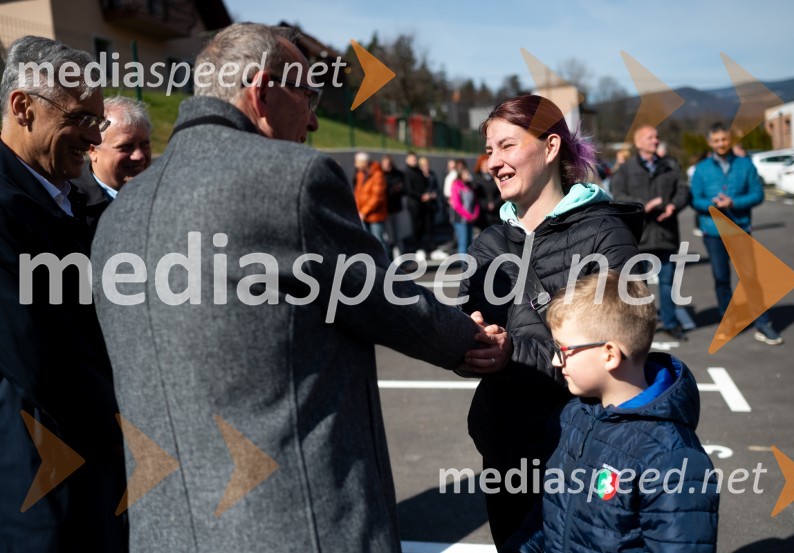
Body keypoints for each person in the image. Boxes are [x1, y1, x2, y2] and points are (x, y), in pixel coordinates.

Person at [91, 23, 506, 553]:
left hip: (164, 529)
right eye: (308, 95)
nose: (312, 119)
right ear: (262, 92)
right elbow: (385, 300)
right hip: (291, 523)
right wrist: (470, 340)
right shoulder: (291, 178)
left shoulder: (118, 213)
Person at [459, 94, 644, 546]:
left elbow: (616, 352)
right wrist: (467, 343)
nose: (494, 163)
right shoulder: (488, 242)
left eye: (506, 146)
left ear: (550, 147)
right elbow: (473, 328)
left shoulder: (605, 233)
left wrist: (510, 353)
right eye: (489, 151)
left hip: (582, 451)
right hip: (504, 449)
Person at [0, 35, 127, 552]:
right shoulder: (6, 208)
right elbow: (40, 360)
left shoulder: (71, 201)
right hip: (44, 481)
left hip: (90, 472)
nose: (92, 138)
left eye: (98, 123)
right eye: (80, 118)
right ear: (23, 107)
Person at [505, 271, 719, 553]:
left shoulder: (675, 460)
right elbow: (548, 515)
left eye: (563, 349)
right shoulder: (574, 417)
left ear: (609, 354)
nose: (556, 360)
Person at [691, 122, 783, 345]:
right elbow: (695, 199)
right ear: (710, 143)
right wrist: (711, 204)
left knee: (750, 278)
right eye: (716, 140)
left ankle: (763, 324)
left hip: (740, 227)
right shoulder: (701, 169)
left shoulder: (745, 164)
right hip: (713, 230)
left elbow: (758, 194)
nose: (721, 144)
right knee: (721, 278)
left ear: (730, 139)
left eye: (724, 139)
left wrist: (735, 202)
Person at [612, 125, 690, 340]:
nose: (655, 141)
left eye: (656, 137)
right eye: (650, 137)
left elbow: (683, 190)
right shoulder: (626, 169)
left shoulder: (670, 165)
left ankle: (671, 323)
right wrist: (643, 206)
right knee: (638, 285)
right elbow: (617, 196)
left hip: (666, 233)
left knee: (668, 281)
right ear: (638, 143)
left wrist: (673, 205)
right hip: (639, 235)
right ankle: (641, 326)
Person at [73, 95, 151, 233]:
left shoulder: (163, 195)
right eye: (126, 146)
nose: (139, 156)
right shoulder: (71, 203)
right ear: (93, 151)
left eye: (145, 145)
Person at [353, 151, 389, 257]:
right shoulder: (360, 175)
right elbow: (358, 193)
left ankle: (385, 265)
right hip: (363, 214)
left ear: (365, 162)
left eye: (358, 162)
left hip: (375, 215)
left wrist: (364, 211)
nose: (356, 164)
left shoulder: (378, 175)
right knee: (367, 243)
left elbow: (377, 197)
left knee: (378, 241)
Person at [404, 152, 435, 260]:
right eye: (412, 159)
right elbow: (408, 189)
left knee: (423, 226)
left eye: (415, 159)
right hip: (414, 204)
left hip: (422, 203)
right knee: (416, 227)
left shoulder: (418, 171)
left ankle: (424, 247)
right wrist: (421, 196)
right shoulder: (407, 173)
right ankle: (416, 248)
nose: (414, 161)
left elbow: (425, 183)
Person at [449, 166, 480, 255]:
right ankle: (464, 266)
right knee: (463, 243)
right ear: (461, 175)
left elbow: (476, 202)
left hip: (470, 219)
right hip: (460, 220)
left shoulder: (470, 186)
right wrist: (469, 216)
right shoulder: (456, 186)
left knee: (470, 243)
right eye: (466, 174)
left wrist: (475, 214)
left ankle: (469, 264)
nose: (469, 175)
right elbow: (457, 205)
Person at [381, 154, 407, 258]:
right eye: (385, 164)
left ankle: (399, 258)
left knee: (397, 235)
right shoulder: (380, 175)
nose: (387, 166)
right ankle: (388, 257)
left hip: (396, 208)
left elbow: (404, 188)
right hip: (384, 209)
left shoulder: (398, 174)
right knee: (387, 236)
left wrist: (395, 189)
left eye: (389, 164)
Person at [473, 152, 501, 229]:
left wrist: (494, 204)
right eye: (483, 165)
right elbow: (476, 196)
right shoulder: (477, 181)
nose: (485, 167)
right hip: (483, 214)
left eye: (486, 165)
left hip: (496, 213)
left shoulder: (496, 179)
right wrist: (485, 205)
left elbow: (501, 193)